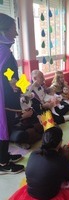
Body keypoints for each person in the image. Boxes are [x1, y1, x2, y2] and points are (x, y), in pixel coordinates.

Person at [9, 126, 69, 200]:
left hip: (31, 192)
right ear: (59, 143)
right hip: (48, 196)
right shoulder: (61, 160)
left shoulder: (34, 153)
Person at [0, 13, 24, 174]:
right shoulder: (5, 53)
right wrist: (26, 89)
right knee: (4, 129)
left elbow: (8, 75)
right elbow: (13, 79)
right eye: (13, 30)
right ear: (3, 31)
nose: (16, 33)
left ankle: (4, 155)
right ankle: (3, 163)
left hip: (6, 98)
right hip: (5, 101)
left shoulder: (4, 51)